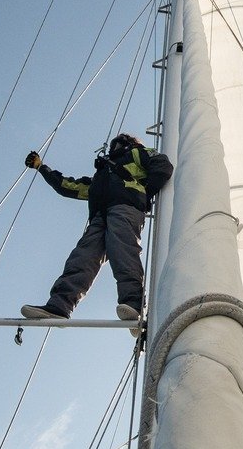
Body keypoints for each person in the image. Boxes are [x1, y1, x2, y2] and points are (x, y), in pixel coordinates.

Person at [20, 134, 173, 322]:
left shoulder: (137, 153)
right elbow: (66, 186)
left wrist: (143, 193)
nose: (114, 146)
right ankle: (59, 305)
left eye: (119, 142)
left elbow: (162, 165)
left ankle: (134, 303)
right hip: (100, 217)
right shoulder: (101, 176)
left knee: (123, 251)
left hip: (125, 208)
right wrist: (41, 167)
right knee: (82, 258)